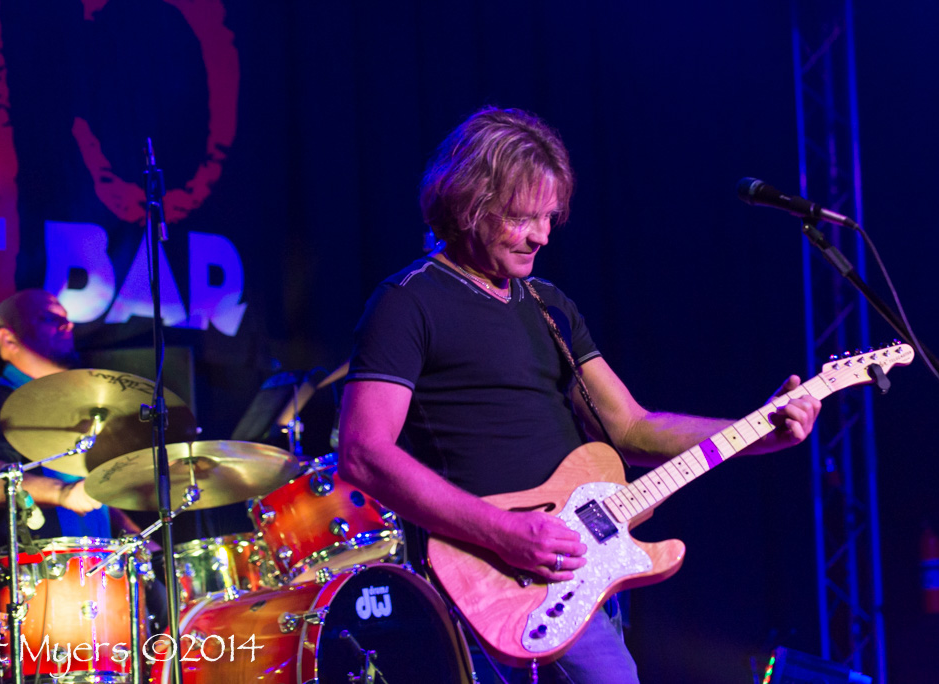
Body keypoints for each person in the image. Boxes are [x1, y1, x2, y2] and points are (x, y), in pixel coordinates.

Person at [336, 107, 822, 683]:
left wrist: (759, 429)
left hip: (583, 569)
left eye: (548, 217)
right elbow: (364, 452)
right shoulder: (407, 302)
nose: (541, 235)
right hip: (496, 575)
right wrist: (504, 533)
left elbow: (631, 428)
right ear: (469, 203)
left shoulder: (550, 306)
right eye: (522, 217)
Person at [0, 289, 142, 560]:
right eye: (49, 318)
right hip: (43, 574)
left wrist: (134, 535)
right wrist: (62, 493)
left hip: (100, 570)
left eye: (66, 318)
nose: (68, 326)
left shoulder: (78, 405)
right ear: (8, 339)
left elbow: (86, 491)